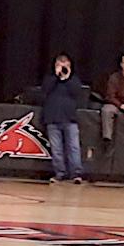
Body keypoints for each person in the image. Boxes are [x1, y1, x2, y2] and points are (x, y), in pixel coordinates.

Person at [37, 54, 87, 183]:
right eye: (60, 65)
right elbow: (45, 90)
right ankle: (59, 173)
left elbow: (76, 92)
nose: (63, 68)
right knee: (56, 149)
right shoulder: (49, 79)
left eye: (65, 66)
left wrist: (67, 77)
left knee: (74, 147)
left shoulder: (74, 80)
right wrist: (56, 76)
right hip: (52, 118)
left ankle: (76, 174)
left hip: (70, 118)